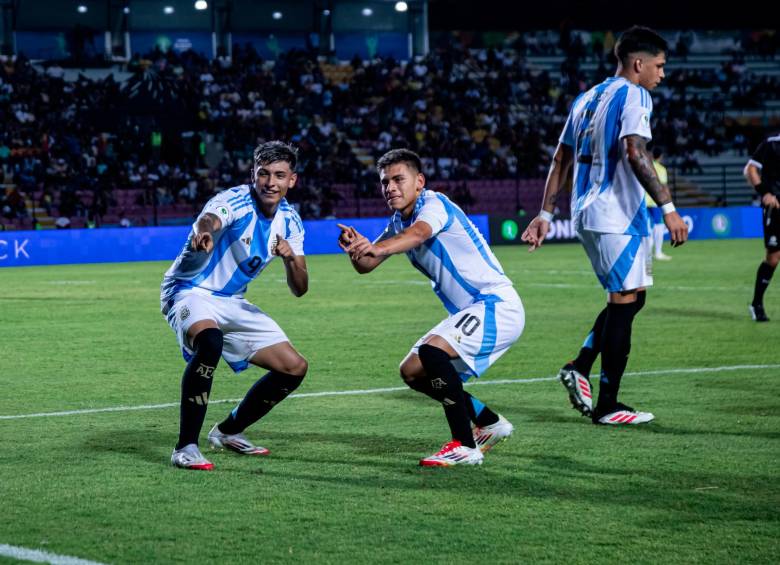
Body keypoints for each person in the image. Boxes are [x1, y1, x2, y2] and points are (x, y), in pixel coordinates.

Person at [521, 26, 688, 425]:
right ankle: (607, 404)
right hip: (615, 215)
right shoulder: (635, 95)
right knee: (625, 301)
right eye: (659, 66)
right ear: (638, 63)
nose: (662, 75)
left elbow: (559, 158)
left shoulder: (586, 97)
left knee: (631, 298)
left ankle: (579, 366)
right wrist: (668, 207)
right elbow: (635, 151)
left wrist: (545, 214)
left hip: (587, 212)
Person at [338, 148, 524, 466]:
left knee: (432, 353)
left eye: (399, 179)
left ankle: (464, 446)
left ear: (419, 181)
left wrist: (376, 245)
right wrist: (357, 249)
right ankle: (490, 423)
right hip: (473, 311)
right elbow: (367, 265)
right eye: (385, 182)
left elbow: (419, 234)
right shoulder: (399, 220)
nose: (390, 188)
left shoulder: (433, 205)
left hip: (495, 305)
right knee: (412, 371)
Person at [161, 141, 309, 470]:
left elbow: (300, 288)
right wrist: (204, 234)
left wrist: (290, 260)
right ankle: (185, 447)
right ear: (253, 175)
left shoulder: (291, 222)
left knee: (294, 367)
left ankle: (227, 431)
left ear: (292, 180)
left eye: (279, 175)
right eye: (264, 174)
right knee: (209, 342)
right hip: (189, 290)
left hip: (231, 301)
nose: (271, 182)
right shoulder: (234, 200)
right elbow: (211, 219)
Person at [744, 133, 780, 322]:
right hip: (775, 208)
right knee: (773, 258)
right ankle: (756, 303)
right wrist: (765, 193)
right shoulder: (771, 144)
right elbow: (751, 169)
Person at [648, 147, 671, 260]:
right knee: (659, 226)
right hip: (655, 202)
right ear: (660, 157)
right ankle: (657, 252)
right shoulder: (661, 169)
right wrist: (669, 203)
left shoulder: (645, 166)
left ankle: (646, 253)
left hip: (642, 202)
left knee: (646, 227)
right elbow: (664, 188)